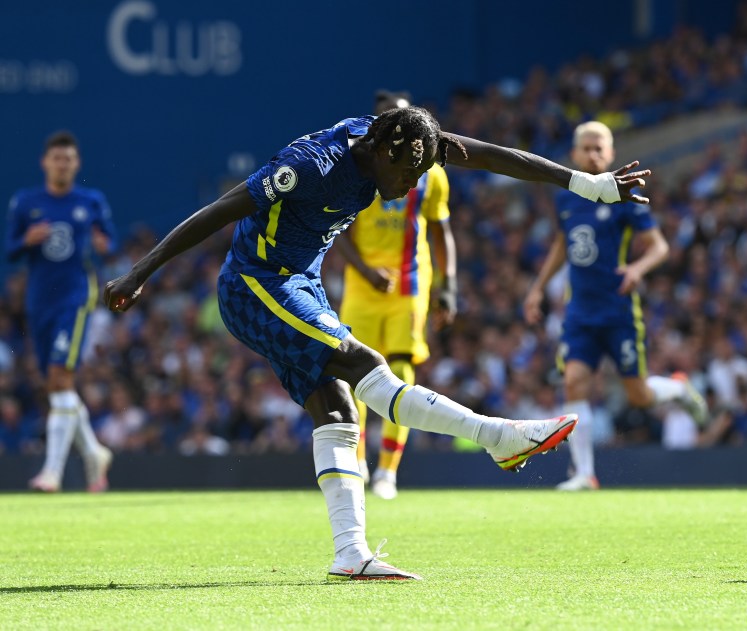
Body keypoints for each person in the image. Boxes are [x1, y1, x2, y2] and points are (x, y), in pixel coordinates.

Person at [103, 107, 649, 580]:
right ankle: (496, 436)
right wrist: (141, 271)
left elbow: (493, 157)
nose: (411, 185)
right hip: (256, 283)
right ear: (382, 151)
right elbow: (221, 210)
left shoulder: (400, 143)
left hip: (302, 283)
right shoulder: (310, 167)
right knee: (365, 363)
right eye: (409, 172)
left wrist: (589, 184)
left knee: (339, 413)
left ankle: (351, 554)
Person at [524, 121, 707, 492]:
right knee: (574, 381)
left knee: (638, 396)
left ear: (610, 154)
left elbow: (659, 246)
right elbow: (564, 243)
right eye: (586, 148)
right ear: (573, 153)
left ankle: (678, 390)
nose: (592, 155)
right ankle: (583, 473)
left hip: (618, 309)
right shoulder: (565, 196)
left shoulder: (624, 193)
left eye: (599, 149)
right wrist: (538, 288)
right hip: (579, 312)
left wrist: (638, 268)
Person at [336, 90, 458, 500]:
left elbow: (441, 232)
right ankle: (356, 462)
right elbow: (341, 234)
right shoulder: (360, 167)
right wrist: (366, 271)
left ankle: (388, 469)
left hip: (409, 283)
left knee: (402, 367)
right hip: (362, 286)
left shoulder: (433, 174)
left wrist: (448, 286)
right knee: (355, 374)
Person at [6, 131, 115, 493]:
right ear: (46, 162)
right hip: (39, 299)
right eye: (57, 158)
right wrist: (26, 241)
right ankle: (95, 453)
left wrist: (103, 244)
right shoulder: (25, 202)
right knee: (55, 384)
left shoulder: (91, 200)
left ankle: (51, 472)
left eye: (68, 159)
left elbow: (109, 242)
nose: (63, 164)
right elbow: (9, 249)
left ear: (76, 164)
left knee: (60, 377)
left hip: (76, 295)